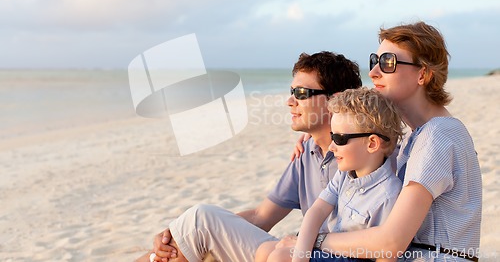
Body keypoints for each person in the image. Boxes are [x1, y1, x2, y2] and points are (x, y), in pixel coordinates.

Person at [136, 51, 363, 262]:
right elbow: (260, 217)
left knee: (200, 220)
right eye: (291, 92)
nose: (290, 101)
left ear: (336, 100)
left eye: (302, 93)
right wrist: (178, 232)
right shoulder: (307, 153)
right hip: (297, 251)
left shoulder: (362, 152)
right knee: (194, 226)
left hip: (321, 255)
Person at [290, 22, 482, 261]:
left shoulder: (437, 136)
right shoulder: (418, 134)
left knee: (282, 254)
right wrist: (319, 135)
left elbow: (391, 242)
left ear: (422, 74)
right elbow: (364, 136)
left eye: (388, 62)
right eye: (374, 61)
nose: (373, 73)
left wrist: (313, 239)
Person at [255, 87, 404, 262]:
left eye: (340, 139)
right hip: (331, 250)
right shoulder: (344, 176)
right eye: (332, 136)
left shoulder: (388, 194)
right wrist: (300, 255)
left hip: (355, 257)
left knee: (280, 256)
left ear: (372, 144)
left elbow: (385, 253)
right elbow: (316, 211)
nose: (332, 148)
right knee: (265, 250)